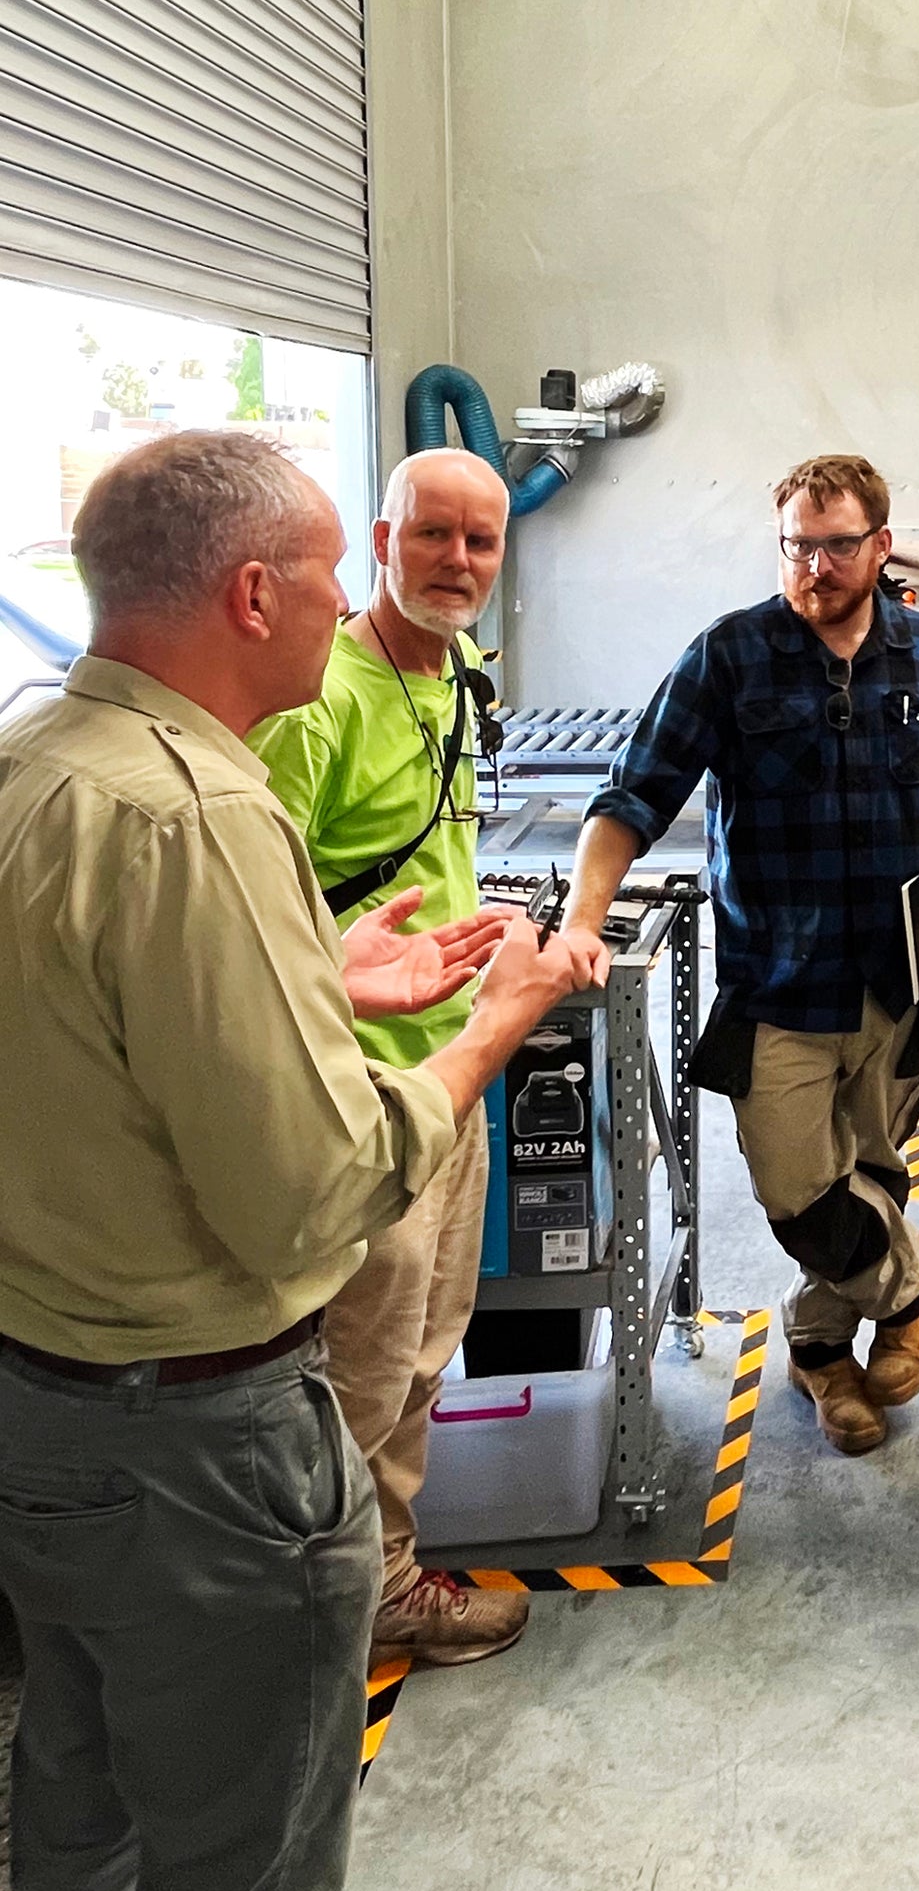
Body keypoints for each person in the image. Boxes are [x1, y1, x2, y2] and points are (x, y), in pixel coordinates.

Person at [0, 431, 588, 1891]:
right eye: (338, 571)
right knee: (243, 1855)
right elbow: (313, 1189)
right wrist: (494, 1029)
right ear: (256, 594)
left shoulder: (33, 760)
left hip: (47, 1398)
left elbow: (107, 1028)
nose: (355, 601)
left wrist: (316, 974)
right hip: (198, 1433)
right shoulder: (204, 810)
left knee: (83, 1802)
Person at [563, 454, 919, 1454]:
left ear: (881, 545)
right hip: (778, 977)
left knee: (871, 1168)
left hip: (900, 977)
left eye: (836, 544)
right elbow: (633, 794)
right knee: (794, 1185)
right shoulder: (729, 656)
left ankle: (820, 1354)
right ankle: (910, 1284)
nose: (814, 564)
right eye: (796, 546)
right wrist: (581, 917)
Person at [252, 449, 595, 1669]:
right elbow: (251, 901)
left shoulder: (454, 675)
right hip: (360, 1089)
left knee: (424, 1348)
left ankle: (383, 1573)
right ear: (384, 538)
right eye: (433, 535)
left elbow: (415, 869)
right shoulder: (319, 699)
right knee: (355, 1364)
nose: (458, 561)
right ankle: (322, 1617)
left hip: (453, 1067)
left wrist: (508, 934)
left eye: (481, 542)